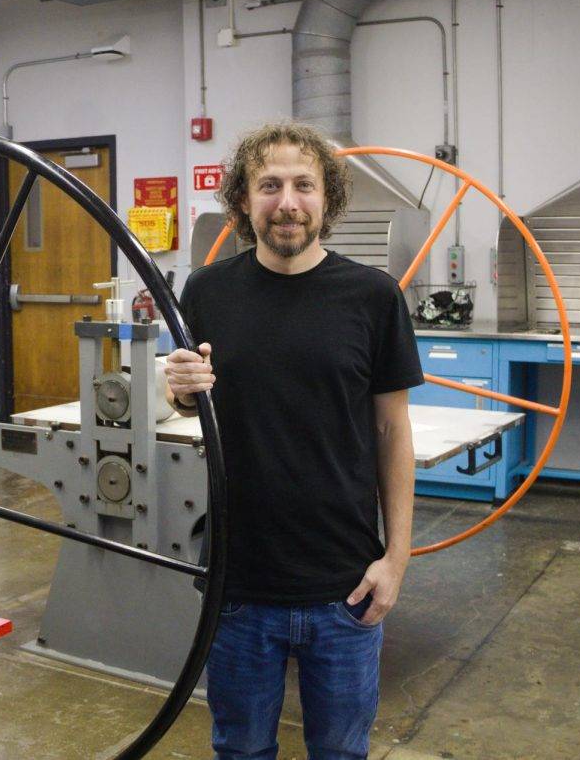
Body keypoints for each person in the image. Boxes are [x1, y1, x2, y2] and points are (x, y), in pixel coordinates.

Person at [164, 121, 423, 759]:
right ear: (242, 200)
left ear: (327, 199)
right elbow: (191, 396)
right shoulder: (207, 290)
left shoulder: (373, 297)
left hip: (346, 586)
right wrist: (177, 388)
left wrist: (395, 561)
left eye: (304, 185)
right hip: (238, 585)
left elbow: (392, 432)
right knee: (241, 751)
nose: (287, 202)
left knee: (340, 752)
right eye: (270, 185)